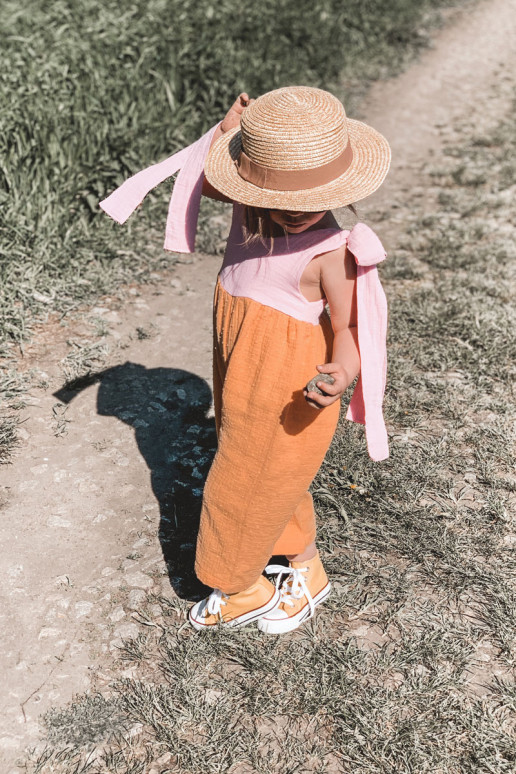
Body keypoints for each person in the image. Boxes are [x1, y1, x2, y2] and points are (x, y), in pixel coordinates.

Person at [100, 86, 391, 634]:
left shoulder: (330, 253)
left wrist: (343, 372)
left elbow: (352, 328)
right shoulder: (249, 209)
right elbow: (202, 176)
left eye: (312, 200)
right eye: (282, 199)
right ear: (254, 185)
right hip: (242, 373)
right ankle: (306, 571)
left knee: (240, 482)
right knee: (273, 475)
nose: (297, 212)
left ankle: (236, 585)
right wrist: (227, 131)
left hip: (293, 385)